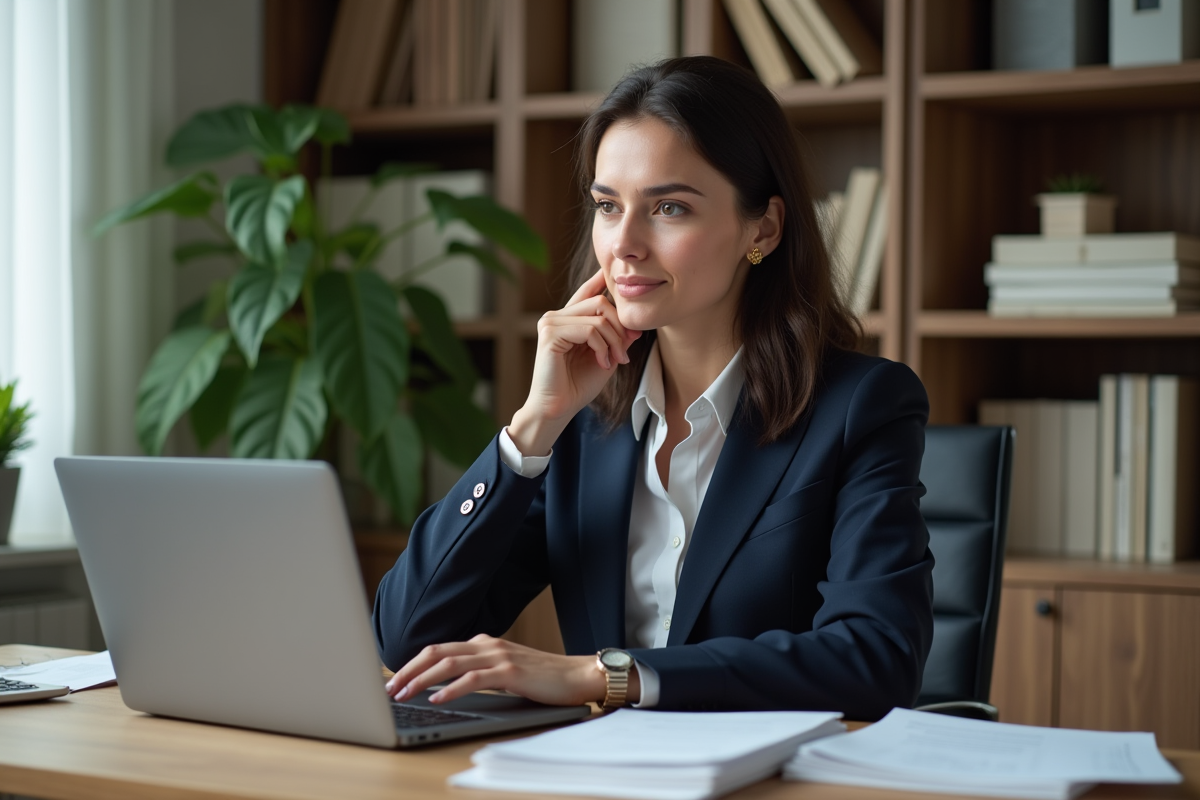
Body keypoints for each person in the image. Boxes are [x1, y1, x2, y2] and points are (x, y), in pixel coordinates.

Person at [373, 56, 933, 720]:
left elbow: (876, 658)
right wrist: (531, 430)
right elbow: (408, 635)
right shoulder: (581, 419)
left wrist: (604, 676)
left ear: (764, 229)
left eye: (669, 207)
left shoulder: (861, 406)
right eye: (608, 206)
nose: (624, 245)